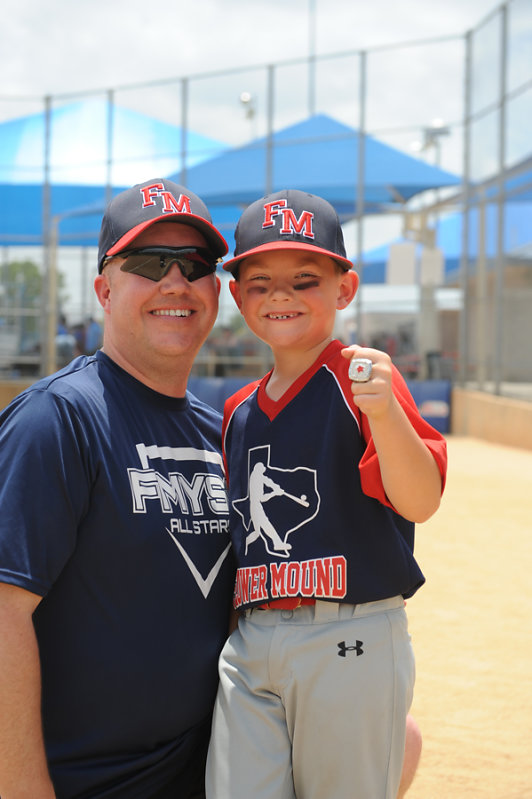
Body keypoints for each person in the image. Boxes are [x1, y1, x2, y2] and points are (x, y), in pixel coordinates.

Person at [205, 189, 447, 799]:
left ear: (345, 288)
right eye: (260, 283)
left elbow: (420, 501)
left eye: (305, 279)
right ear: (237, 296)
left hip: (348, 631)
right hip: (254, 637)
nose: (280, 295)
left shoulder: (361, 378)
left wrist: (385, 413)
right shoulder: (236, 411)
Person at [0, 178, 236, 799]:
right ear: (105, 290)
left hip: (204, 772)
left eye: (196, 264)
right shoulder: (58, 419)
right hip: (87, 781)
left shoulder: (225, 435)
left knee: (396, 743)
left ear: (216, 290)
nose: (176, 282)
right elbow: (3, 610)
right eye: (151, 263)